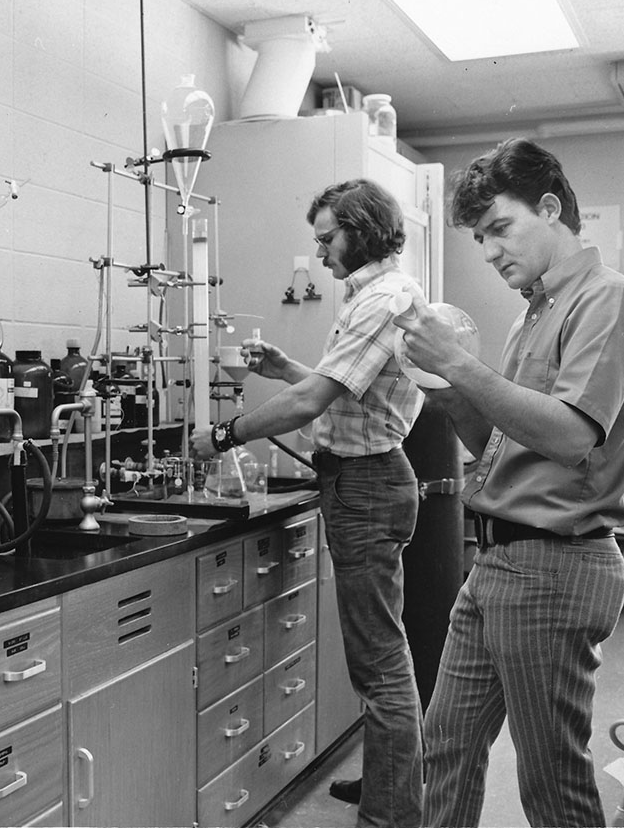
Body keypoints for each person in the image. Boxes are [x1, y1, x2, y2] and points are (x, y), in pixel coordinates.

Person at [392, 137, 624, 827]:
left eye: (500, 229)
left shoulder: (611, 300)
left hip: (555, 564)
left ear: (550, 207)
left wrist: (460, 364)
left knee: (551, 782)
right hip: (498, 560)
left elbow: (571, 436)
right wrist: (448, 390)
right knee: (445, 745)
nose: (490, 250)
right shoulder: (529, 316)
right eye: (480, 238)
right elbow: (502, 445)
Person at [192, 178, 426, 828]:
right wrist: (288, 365)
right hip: (362, 480)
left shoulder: (384, 299)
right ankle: (387, 781)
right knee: (377, 653)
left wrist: (222, 434)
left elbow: (309, 404)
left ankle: (392, 812)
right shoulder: (370, 298)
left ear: (361, 229)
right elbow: (340, 389)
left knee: (380, 663)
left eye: (327, 238)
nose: (320, 251)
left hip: (367, 484)